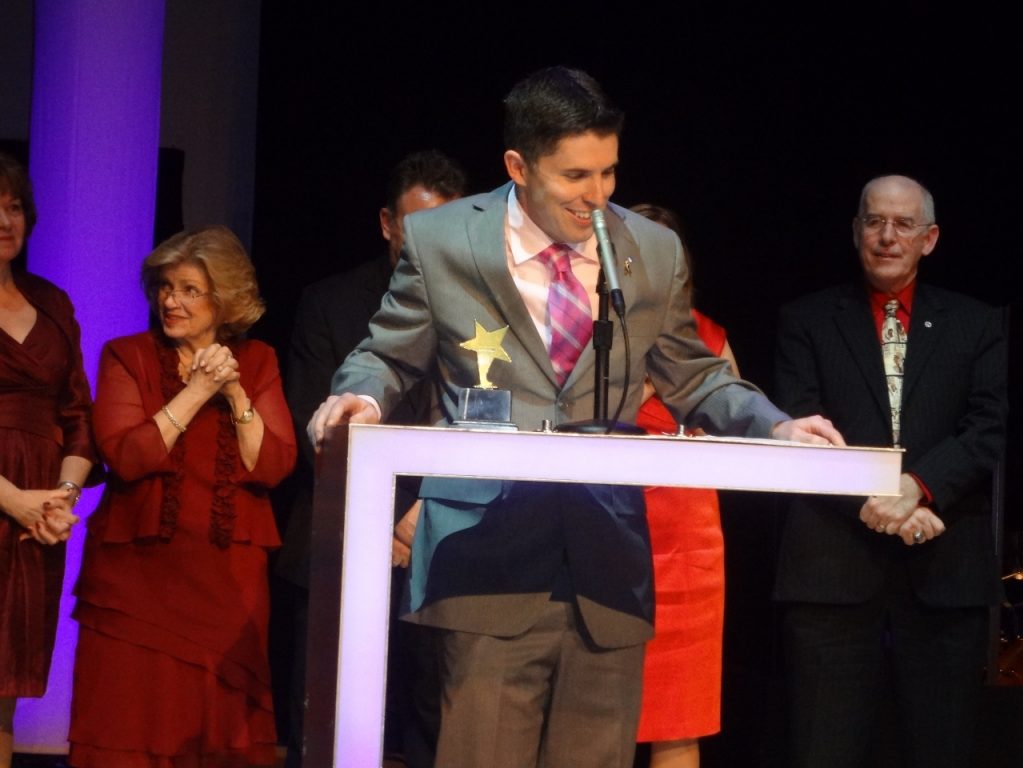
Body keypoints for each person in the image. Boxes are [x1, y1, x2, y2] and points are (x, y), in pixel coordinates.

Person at [308, 66, 842, 768]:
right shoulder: (441, 242)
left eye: (609, 173)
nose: (598, 197)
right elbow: (388, 352)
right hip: (484, 564)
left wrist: (775, 424)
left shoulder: (650, 251)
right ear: (518, 166)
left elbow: (695, 373)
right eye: (575, 177)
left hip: (606, 568)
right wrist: (361, 396)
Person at [773, 174, 1008, 768]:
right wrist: (889, 506)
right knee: (821, 750)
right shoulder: (807, 319)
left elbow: (988, 429)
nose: (886, 236)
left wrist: (916, 489)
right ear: (855, 231)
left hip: (944, 568)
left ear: (929, 239)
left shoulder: (978, 324)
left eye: (903, 224)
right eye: (874, 221)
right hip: (831, 566)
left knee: (942, 749)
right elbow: (803, 433)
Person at [67, 225, 297, 767]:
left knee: (215, 737)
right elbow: (126, 456)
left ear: (226, 299)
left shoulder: (258, 361)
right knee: (127, 731)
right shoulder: (127, 357)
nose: (172, 300)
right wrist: (197, 390)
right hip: (138, 581)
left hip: (226, 584)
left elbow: (274, 465)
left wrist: (235, 389)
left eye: (190, 289)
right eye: (166, 287)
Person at [276, 148, 466, 768]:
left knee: (431, 725)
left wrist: (425, 513)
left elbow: (485, 419)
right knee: (335, 728)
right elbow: (317, 421)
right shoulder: (329, 303)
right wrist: (393, 512)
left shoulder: (479, 310)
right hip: (342, 543)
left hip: (442, 550)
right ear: (388, 223)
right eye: (414, 227)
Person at [0, 152, 97, 768]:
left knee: (6, 684)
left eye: (13, 207)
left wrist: (59, 500)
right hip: (11, 501)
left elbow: (78, 415)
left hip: (40, 519)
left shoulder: (52, 303)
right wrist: (12, 499)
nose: (4, 220)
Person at [629, 203, 735, 768]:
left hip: (687, 550)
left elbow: (737, 429)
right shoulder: (586, 338)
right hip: (607, 536)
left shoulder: (709, 339)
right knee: (597, 713)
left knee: (678, 721)